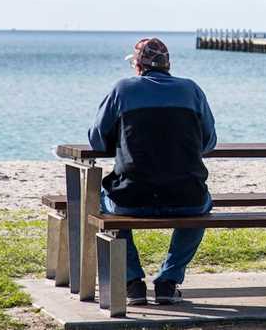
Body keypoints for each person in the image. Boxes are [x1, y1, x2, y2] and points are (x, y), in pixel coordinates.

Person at [89, 37, 217, 306]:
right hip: (186, 200)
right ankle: (168, 280)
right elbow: (208, 142)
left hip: (131, 199)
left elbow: (97, 140)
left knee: (103, 201)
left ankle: (133, 282)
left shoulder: (122, 89)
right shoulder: (192, 90)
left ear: (137, 65)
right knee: (202, 206)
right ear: (168, 64)